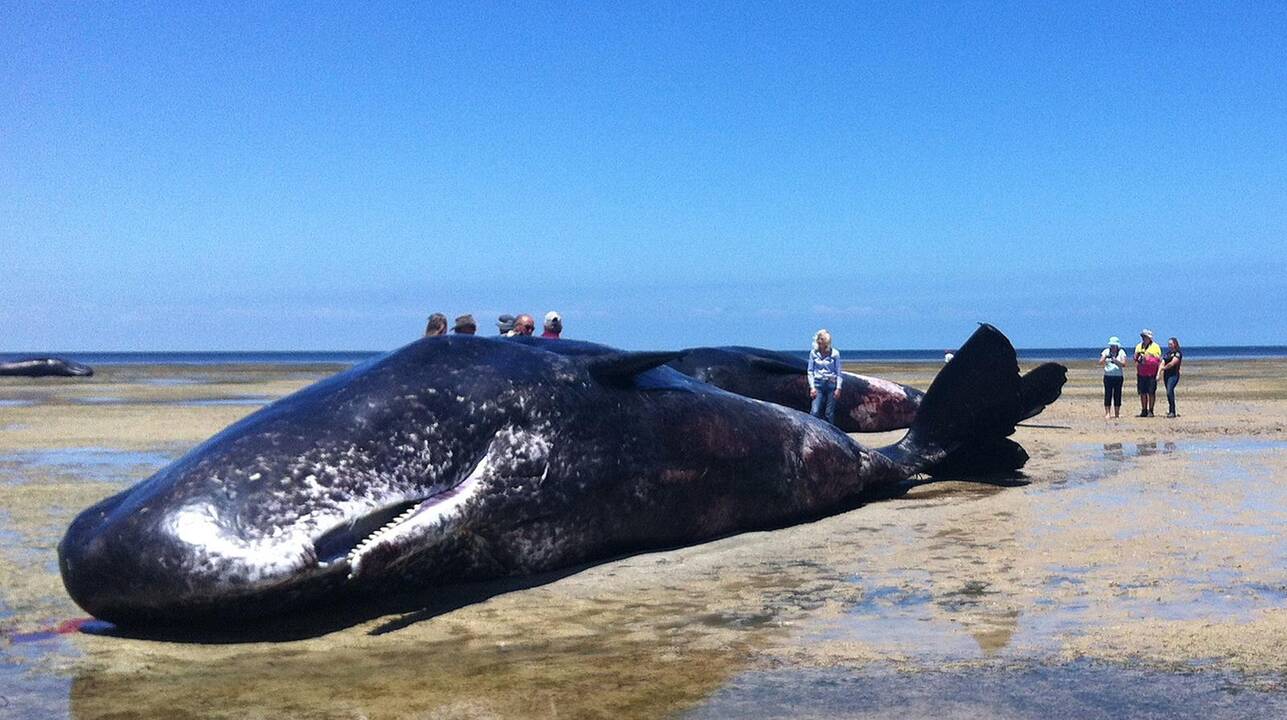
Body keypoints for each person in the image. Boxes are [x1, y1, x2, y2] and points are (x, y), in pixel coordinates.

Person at [807, 329, 843, 425]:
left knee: (829, 413)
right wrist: (812, 387)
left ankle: (831, 434)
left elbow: (838, 372)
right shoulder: (813, 353)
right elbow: (810, 371)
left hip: (831, 384)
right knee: (815, 411)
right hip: (818, 383)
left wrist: (838, 388)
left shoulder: (835, 353)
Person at [1133, 329, 1163, 417]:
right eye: (1143, 337)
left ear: (1149, 338)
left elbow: (1158, 359)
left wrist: (1148, 358)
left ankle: (1151, 410)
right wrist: (1137, 357)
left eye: (1145, 337)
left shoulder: (1155, 346)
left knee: (1151, 392)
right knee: (1142, 392)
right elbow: (1135, 358)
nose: (1143, 338)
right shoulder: (1139, 346)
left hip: (1151, 373)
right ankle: (1144, 409)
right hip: (1141, 373)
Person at [1099, 336, 1127, 419]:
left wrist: (1116, 361)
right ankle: (1107, 413)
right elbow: (1100, 362)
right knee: (1108, 394)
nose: (1113, 347)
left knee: (1117, 395)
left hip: (1118, 377)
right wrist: (1105, 358)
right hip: (1108, 376)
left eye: (1114, 346)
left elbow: (1124, 364)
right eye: (1112, 346)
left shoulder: (1122, 352)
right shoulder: (1106, 351)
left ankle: (1117, 413)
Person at [1162, 336, 1183, 417]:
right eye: (1168, 344)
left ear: (1175, 344)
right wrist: (1159, 372)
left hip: (1174, 375)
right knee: (1169, 393)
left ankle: (1173, 411)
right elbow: (1162, 362)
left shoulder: (1178, 353)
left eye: (1171, 344)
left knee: (1169, 391)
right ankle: (1171, 410)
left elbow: (1173, 363)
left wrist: (1164, 368)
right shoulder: (1167, 354)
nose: (1169, 345)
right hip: (1166, 375)